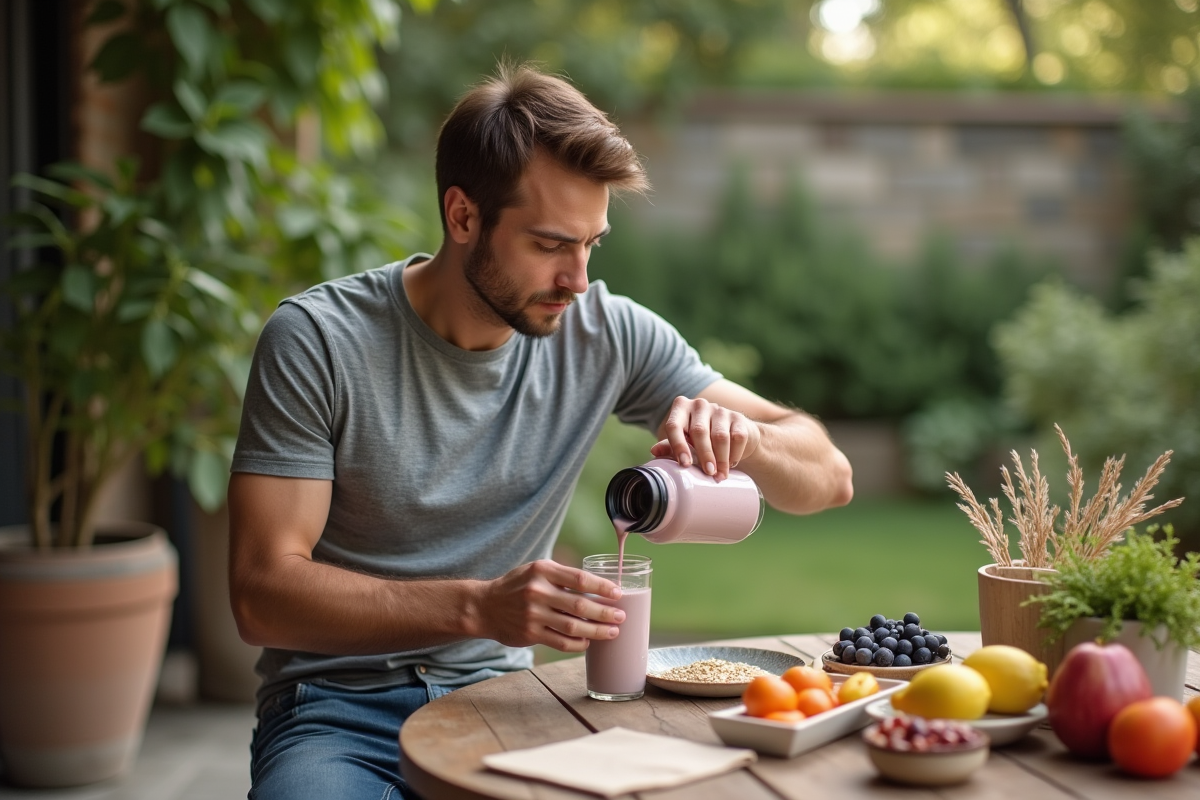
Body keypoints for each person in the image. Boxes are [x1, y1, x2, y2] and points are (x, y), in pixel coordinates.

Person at [228, 63, 853, 800]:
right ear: (463, 218)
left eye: (593, 244)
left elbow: (830, 477)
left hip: (512, 707)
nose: (578, 279)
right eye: (552, 244)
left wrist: (748, 440)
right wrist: (478, 608)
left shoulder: (603, 331)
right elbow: (262, 593)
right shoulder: (318, 340)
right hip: (338, 715)